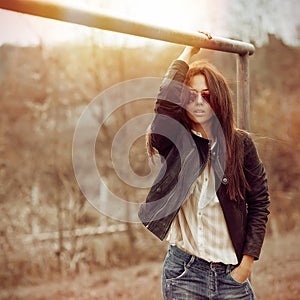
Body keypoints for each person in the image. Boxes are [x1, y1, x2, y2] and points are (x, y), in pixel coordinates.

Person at [138, 46, 270, 299]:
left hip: (232, 275)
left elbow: (260, 202)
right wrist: (186, 53)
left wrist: (246, 265)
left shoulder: (241, 145)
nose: (199, 101)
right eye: (191, 95)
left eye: (207, 95)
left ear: (219, 98)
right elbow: (164, 104)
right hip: (184, 274)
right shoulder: (176, 140)